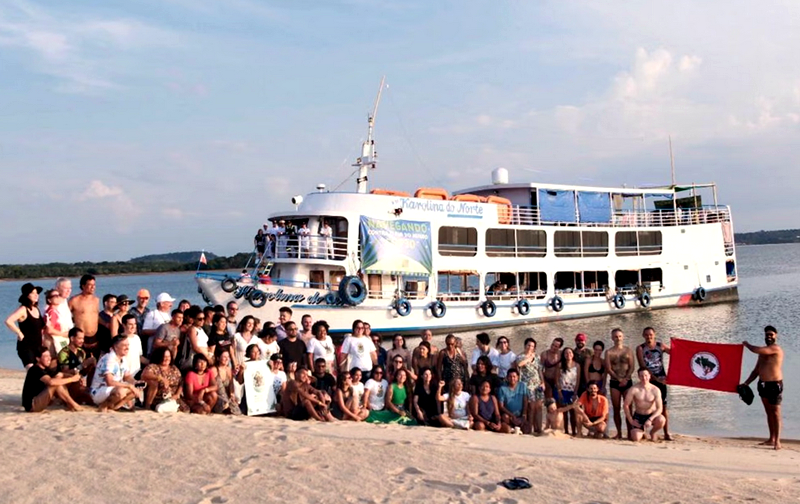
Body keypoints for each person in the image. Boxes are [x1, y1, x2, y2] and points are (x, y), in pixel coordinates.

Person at [741, 325, 784, 450]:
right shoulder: (762, 352)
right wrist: (746, 383)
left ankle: (778, 441)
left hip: (775, 384)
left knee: (776, 413)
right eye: (767, 334)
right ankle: (771, 439)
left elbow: (756, 350)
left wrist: (747, 344)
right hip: (763, 384)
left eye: (771, 334)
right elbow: (756, 370)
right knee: (768, 412)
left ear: (776, 335)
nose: (769, 336)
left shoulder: (775, 349)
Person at [22, 346, 83, 412]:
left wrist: (76, 377)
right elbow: (51, 382)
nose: (49, 358)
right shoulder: (35, 369)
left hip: (41, 400)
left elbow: (61, 374)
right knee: (55, 384)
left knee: (58, 379)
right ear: (38, 359)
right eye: (46, 356)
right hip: (33, 404)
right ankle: (73, 405)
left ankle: (69, 403)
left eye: (49, 356)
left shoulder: (46, 369)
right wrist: (72, 379)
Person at [636, 327, 671, 440]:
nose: (648, 337)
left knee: (663, 407)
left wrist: (676, 344)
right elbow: (643, 366)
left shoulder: (660, 346)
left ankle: (666, 433)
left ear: (654, 335)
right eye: (646, 335)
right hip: (648, 381)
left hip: (662, 380)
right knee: (645, 405)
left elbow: (674, 353)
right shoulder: (640, 348)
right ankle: (644, 429)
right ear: (643, 335)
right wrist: (655, 379)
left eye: (650, 334)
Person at [90, 335, 138, 412]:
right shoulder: (109, 359)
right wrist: (129, 385)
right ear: (116, 347)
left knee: (137, 390)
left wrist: (135, 382)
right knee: (121, 392)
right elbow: (109, 382)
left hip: (113, 389)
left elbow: (127, 376)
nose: (127, 348)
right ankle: (104, 406)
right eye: (124, 345)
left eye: (128, 345)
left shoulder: (122, 359)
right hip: (99, 390)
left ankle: (115, 407)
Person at [6, 283, 45, 369]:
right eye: (33, 293)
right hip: (26, 346)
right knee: (32, 371)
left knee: (40, 373)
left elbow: (40, 328)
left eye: (37, 293)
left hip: (38, 346)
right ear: (27, 295)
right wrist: (19, 333)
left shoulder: (36, 309)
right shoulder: (23, 309)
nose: (36, 295)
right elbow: (8, 321)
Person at [605, 328, 635, 439]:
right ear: (612, 338)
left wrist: (625, 379)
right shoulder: (609, 352)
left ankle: (629, 432)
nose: (618, 338)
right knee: (616, 408)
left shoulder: (628, 351)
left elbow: (632, 366)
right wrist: (618, 379)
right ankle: (619, 432)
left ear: (623, 337)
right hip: (614, 382)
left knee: (628, 408)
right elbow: (608, 368)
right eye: (616, 336)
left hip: (627, 381)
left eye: (620, 336)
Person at [624, 368, 666, 442]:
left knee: (661, 420)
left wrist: (650, 419)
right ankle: (641, 432)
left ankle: (652, 432)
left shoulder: (655, 390)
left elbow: (660, 408)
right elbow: (626, 405)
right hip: (639, 416)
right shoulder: (634, 389)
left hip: (651, 415)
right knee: (636, 438)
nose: (644, 378)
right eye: (641, 376)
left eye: (646, 375)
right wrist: (631, 420)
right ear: (639, 377)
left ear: (649, 376)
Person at [141, 346, 187, 412]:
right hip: (159, 398)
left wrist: (177, 394)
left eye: (168, 356)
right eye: (164, 356)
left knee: (186, 409)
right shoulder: (153, 367)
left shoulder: (174, 368)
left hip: (173, 397)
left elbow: (181, 382)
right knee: (162, 407)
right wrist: (160, 378)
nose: (167, 359)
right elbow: (145, 374)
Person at [516, 337, 545, 434]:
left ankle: (539, 428)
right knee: (531, 407)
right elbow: (520, 364)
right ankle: (530, 428)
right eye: (528, 345)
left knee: (539, 406)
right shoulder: (520, 356)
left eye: (532, 346)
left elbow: (539, 370)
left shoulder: (537, 357)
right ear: (525, 346)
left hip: (537, 383)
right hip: (527, 384)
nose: (530, 347)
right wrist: (529, 358)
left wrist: (543, 382)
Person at [69, 275, 99, 356]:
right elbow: (65, 316)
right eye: (90, 285)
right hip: (81, 337)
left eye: (94, 285)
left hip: (95, 337)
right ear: (83, 286)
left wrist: (107, 323)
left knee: (94, 363)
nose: (93, 287)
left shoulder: (96, 300)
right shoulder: (74, 300)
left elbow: (97, 316)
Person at [498, 369, 530, 434]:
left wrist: (524, 414)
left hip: (520, 415)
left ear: (518, 377)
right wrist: (512, 415)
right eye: (510, 376)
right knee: (505, 417)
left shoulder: (522, 386)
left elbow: (525, 401)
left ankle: (518, 427)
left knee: (528, 430)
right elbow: (501, 406)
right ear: (507, 378)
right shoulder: (502, 388)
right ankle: (512, 427)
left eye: (514, 376)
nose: (512, 378)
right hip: (509, 415)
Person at [557, 347, 580, 435]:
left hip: (572, 391)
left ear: (573, 354)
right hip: (563, 390)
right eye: (566, 353)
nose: (568, 355)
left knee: (573, 412)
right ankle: (566, 430)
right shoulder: (560, 365)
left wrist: (575, 393)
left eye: (570, 353)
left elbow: (578, 380)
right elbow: (557, 379)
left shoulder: (577, 365)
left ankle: (574, 431)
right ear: (563, 355)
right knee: (564, 412)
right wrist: (559, 392)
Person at [211, 348, 239, 414]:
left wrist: (232, 394)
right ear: (218, 358)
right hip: (216, 397)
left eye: (228, 357)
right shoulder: (213, 370)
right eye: (224, 357)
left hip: (226, 396)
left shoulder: (228, 369)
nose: (227, 359)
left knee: (236, 408)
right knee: (224, 404)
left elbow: (231, 385)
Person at [120, 314, 147, 378]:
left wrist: (152, 363)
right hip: (124, 375)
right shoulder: (119, 340)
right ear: (124, 325)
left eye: (134, 324)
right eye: (130, 324)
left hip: (137, 374)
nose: (133, 326)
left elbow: (140, 357)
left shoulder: (137, 338)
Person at [42, 288, 69, 356]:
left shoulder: (51, 310)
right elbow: (49, 330)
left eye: (58, 295)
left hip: (54, 339)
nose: (58, 297)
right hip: (53, 341)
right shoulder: (52, 312)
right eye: (55, 296)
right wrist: (63, 334)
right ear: (49, 300)